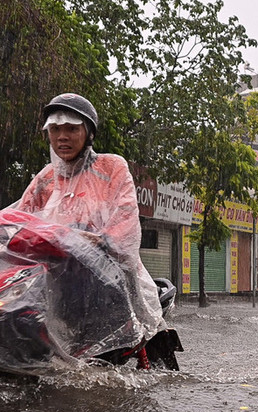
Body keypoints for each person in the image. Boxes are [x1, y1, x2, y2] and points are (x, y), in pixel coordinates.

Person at [13, 92, 166, 344]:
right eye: (55, 129)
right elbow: (20, 217)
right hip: (56, 276)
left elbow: (125, 218)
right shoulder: (45, 178)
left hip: (108, 275)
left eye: (72, 129)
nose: (62, 136)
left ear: (89, 133)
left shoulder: (111, 167)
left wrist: (98, 241)